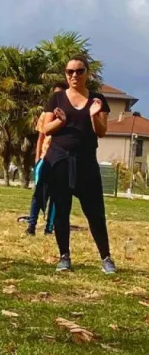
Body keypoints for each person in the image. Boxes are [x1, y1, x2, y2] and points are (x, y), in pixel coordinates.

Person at [41, 56, 115, 273]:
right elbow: (46, 129)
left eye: (79, 71)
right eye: (70, 71)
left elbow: (101, 131)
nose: (74, 75)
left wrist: (93, 116)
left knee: (95, 212)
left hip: (85, 163)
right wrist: (60, 121)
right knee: (61, 210)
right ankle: (64, 256)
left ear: (87, 73)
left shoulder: (98, 100)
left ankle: (106, 258)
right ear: (66, 74)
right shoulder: (56, 98)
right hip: (59, 161)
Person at [25, 83, 64, 235]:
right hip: (44, 158)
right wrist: (37, 157)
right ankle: (31, 226)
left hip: (60, 160)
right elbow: (40, 138)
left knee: (56, 196)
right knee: (38, 194)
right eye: (55, 94)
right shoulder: (45, 115)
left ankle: (49, 228)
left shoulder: (68, 116)